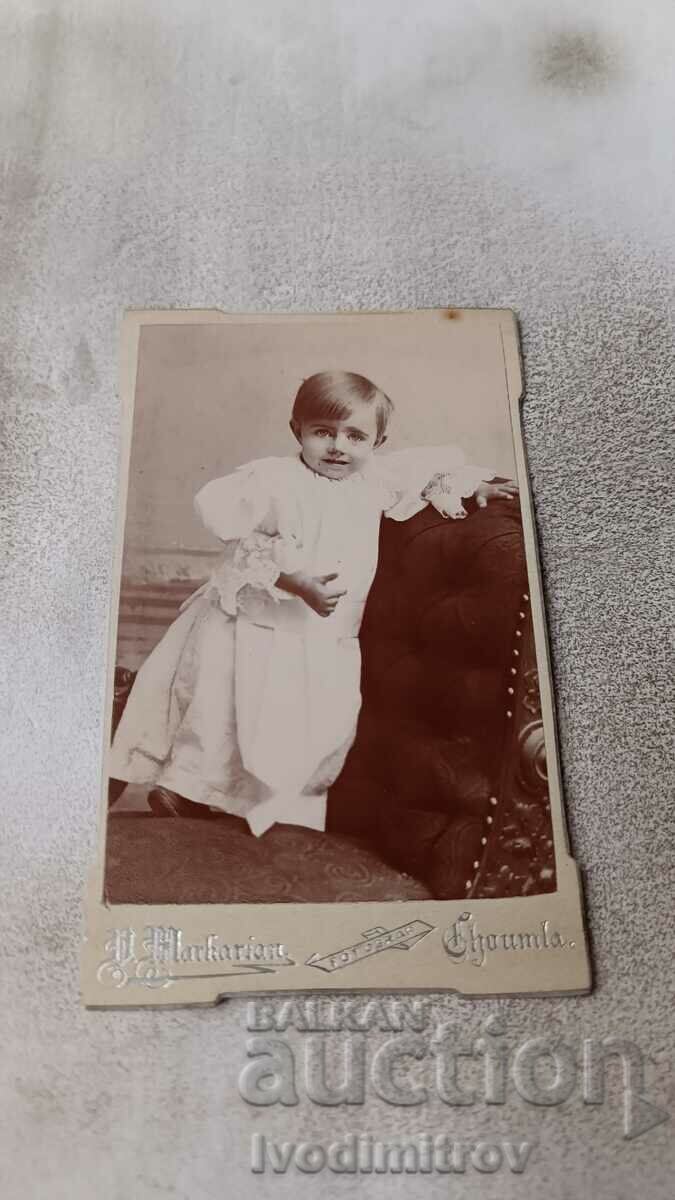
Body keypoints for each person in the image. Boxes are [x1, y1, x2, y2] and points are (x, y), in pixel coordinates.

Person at [109, 371, 516, 835]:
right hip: (258, 620)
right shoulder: (274, 481)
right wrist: (292, 579)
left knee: (311, 721)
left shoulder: (375, 481)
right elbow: (243, 544)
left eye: (355, 436)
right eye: (323, 432)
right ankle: (187, 789)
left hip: (325, 633)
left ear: (378, 441)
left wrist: (472, 490)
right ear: (296, 430)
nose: (338, 446)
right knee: (223, 707)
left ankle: (262, 802)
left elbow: (428, 480)